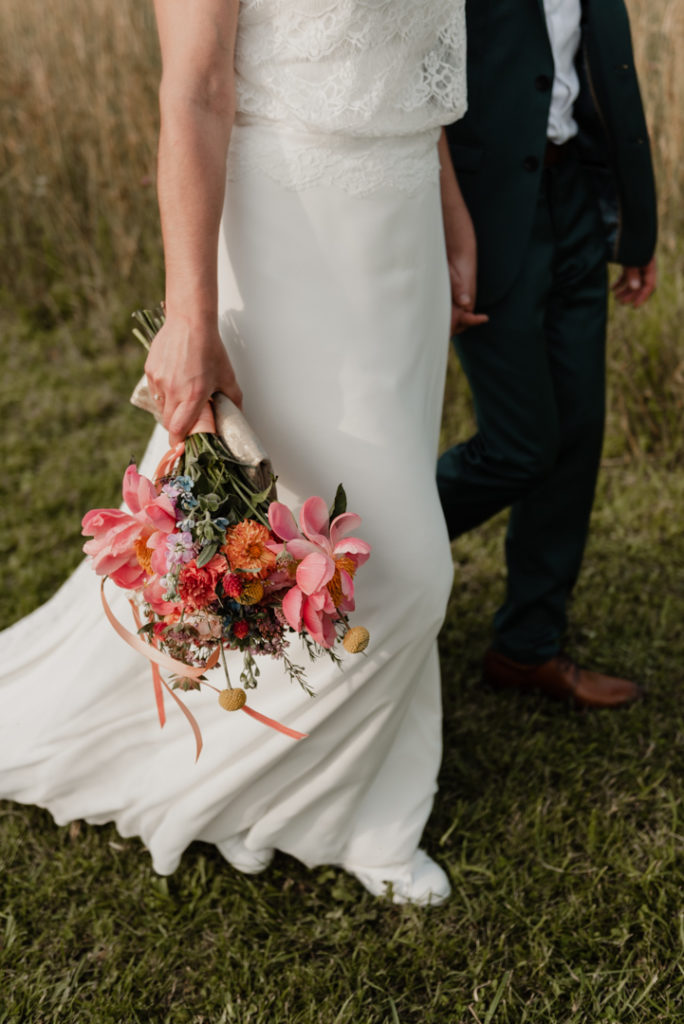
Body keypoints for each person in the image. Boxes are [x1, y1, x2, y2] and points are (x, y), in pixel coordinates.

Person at [0, 1, 477, 905]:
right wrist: (189, 317)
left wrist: (449, 209)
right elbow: (194, 90)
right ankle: (226, 786)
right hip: (288, 234)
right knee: (406, 567)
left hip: (400, 225)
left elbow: (411, 63)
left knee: (347, 530)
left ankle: (371, 807)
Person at [437, 0, 658, 708]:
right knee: (521, 445)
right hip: (487, 214)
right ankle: (352, 552)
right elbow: (417, 80)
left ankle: (528, 646)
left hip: (576, 203)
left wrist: (636, 225)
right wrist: (442, 235)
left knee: (577, 432)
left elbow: (610, 74)